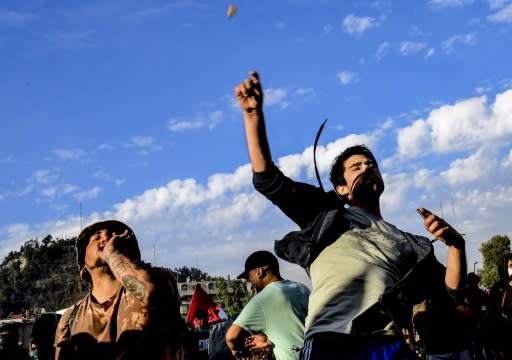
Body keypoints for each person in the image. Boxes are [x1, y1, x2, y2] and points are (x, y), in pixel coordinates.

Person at [235, 71, 467, 359]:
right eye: (356, 166)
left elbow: (451, 293)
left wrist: (457, 247)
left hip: (388, 345)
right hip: (333, 342)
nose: (367, 167)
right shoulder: (325, 216)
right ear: (341, 189)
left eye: (371, 163)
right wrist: (253, 115)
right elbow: (268, 180)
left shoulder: (411, 244)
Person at [54, 220, 188, 360]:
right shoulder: (70, 318)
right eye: (96, 237)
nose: (106, 238)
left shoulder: (159, 279)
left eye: (114, 235)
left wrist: (113, 254)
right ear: (83, 268)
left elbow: (149, 293)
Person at [226, 250, 310, 360]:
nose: (251, 284)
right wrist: (268, 340)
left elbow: (231, 337)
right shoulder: (302, 288)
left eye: (249, 278)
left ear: (259, 272)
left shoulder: (263, 298)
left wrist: (236, 349)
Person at [488, 253, 512, 360]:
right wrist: (497, 346)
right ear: (503, 267)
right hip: (503, 339)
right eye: (511, 266)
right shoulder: (496, 289)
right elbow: (493, 317)